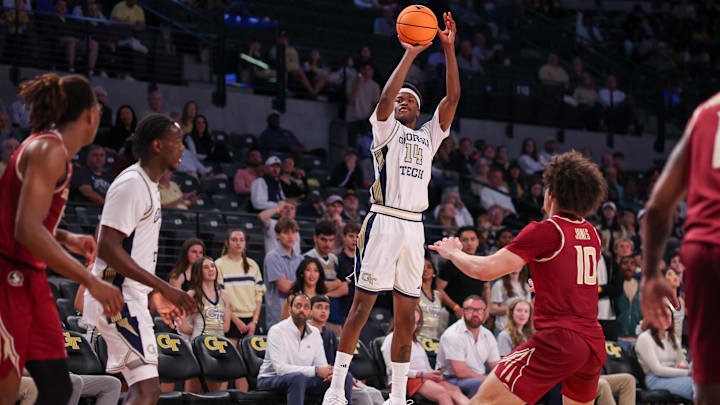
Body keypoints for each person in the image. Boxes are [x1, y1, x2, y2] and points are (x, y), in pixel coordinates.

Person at [323, 12, 460, 405]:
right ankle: (336, 390)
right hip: (383, 220)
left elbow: (452, 99)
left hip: (414, 228)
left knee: (406, 316)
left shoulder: (429, 136)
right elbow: (383, 98)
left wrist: (448, 51)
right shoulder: (385, 130)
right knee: (361, 305)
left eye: (408, 100)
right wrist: (411, 54)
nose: (400, 101)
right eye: (399, 98)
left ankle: (397, 396)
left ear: (417, 110)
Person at [430, 150, 608, 405]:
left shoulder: (547, 230)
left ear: (551, 195)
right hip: (591, 342)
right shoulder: (592, 233)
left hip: (558, 339)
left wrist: (454, 253)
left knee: (483, 402)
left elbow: (484, 269)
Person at [0, 73, 123, 405]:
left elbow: (25, 218)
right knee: (6, 392)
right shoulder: (47, 150)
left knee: (58, 387)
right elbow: (25, 229)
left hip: (31, 279)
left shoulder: (55, 152)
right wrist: (90, 281)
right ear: (90, 114)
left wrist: (66, 235)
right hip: (8, 276)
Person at [82, 114, 196, 405]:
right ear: (157, 145)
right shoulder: (132, 183)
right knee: (146, 391)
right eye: (177, 141)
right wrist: (165, 287)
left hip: (130, 297)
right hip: (117, 299)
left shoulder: (149, 185)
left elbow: (128, 246)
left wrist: (154, 294)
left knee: (146, 390)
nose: (183, 148)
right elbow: (107, 246)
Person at [641, 92, 720, 405]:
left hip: (704, 251)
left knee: (710, 382)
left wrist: (650, 275)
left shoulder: (704, 113)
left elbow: (658, 207)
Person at [257, 294, 353, 404]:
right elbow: (280, 369)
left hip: (303, 379)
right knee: (298, 378)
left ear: (310, 312)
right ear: (290, 310)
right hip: (270, 378)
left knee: (344, 378)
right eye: (298, 306)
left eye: (306, 307)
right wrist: (316, 371)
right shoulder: (277, 331)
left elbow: (322, 365)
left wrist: (330, 373)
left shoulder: (315, 332)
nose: (302, 310)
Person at [178, 256, 245, 391]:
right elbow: (181, 325)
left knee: (215, 392)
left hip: (217, 346)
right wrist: (199, 328)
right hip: (198, 346)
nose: (211, 269)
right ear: (198, 271)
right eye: (206, 267)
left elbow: (225, 326)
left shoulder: (224, 295)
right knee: (194, 392)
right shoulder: (192, 294)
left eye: (213, 266)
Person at [382, 306, 470, 405]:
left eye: (416, 323)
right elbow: (392, 369)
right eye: (411, 321)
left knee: (454, 389)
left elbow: (426, 367)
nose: (413, 326)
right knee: (443, 393)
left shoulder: (416, 342)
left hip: (423, 377)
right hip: (404, 380)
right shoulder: (391, 339)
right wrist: (422, 374)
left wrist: (434, 374)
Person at [309, 295, 384, 405]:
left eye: (326, 308)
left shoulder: (330, 334)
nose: (323, 311)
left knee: (375, 393)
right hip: (321, 377)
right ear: (310, 311)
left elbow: (338, 361)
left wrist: (348, 376)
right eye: (319, 307)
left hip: (338, 374)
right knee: (363, 395)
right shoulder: (307, 333)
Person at [436, 295, 500, 398]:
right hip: (450, 378)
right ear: (463, 311)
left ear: (485, 313)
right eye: (470, 310)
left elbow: (495, 365)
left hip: (479, 376)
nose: (475, 314)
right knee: (478, 384)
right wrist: (488, 380)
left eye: (479, 310)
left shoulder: (488, 334)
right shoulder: (453, 334)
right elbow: (461, 372)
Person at [438, 226, 491, 321]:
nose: (469, 243)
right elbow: (439, 289)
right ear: (458, 243)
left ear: (478, 241)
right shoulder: (450, 263)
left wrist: (487, 307)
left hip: (477, 313)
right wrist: (455, 308)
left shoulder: (482, 262)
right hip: (454, 314)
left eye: (472, 239)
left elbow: (486, 287)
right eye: (465, 240)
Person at [263, 217, 304, 329]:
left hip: (298, 316)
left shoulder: (301, 259)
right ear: (277, 235)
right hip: (278, 316)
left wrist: (293, 283)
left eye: (293, 233)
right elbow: (283, 287)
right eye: (286, 232)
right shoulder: (272, 257)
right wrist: (301, 283)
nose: (291, 236)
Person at [304, 221, 346, 329]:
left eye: (331, 240)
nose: (327, 244)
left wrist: (323, 292)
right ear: (315, 238)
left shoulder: (336, 260)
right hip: (312, 318)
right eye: (323, 239)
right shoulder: (307, 258)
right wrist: (337, 283)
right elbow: (311, 287)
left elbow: (345, 288)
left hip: (335, 318)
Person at [635, 326, 693, 400]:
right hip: (656, 378)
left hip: (676, 373)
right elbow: (658, 370)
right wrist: (687, 372)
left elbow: (682, 361)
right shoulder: (645, 338)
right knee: (697, 385)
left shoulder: (672, 337)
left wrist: (682, 366)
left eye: (668, 316)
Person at [489, 268, 531, 333]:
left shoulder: (526, 286)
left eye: (517, 264)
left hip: (521, 330)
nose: (515, 266)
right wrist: (512, 308)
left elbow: (529, 308)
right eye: (513, 263)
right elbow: (492, 309)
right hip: (503, 329)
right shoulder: (499, 285)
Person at [418, 257, 449, 339]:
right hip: (419, 336)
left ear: (434, 272)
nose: (425, 270)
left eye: (429, 267)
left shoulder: (438, 295)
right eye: (422, 267)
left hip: (435, 338)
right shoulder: (415, 293)